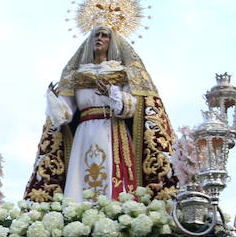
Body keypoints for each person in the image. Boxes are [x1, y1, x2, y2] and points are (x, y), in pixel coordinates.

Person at [24, 24, 176, 202]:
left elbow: (131, 107)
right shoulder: (76, 75)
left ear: (111, 42)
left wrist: (111, 94)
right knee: (81, 175)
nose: (100, 38)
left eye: (105, 35)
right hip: (84, 132)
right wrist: (53, 99)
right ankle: (78, 214)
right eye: (96, 35)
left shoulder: (121, 73)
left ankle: (116, 209)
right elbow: (65, 115)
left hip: (112, 129)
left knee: (113, 172)